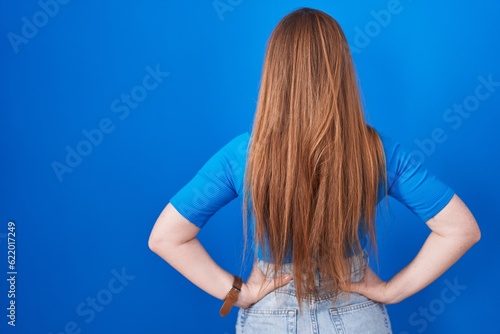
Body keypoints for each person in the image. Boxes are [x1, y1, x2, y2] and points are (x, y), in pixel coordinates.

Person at [148, 7, 480, 333]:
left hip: (270, 318)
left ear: (274, 73)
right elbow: (461, 230)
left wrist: (239, 291)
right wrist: (390, 291)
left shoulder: (243, 154)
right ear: (342, 70)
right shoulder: (379, 152)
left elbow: (167, 238)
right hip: (356, 314)